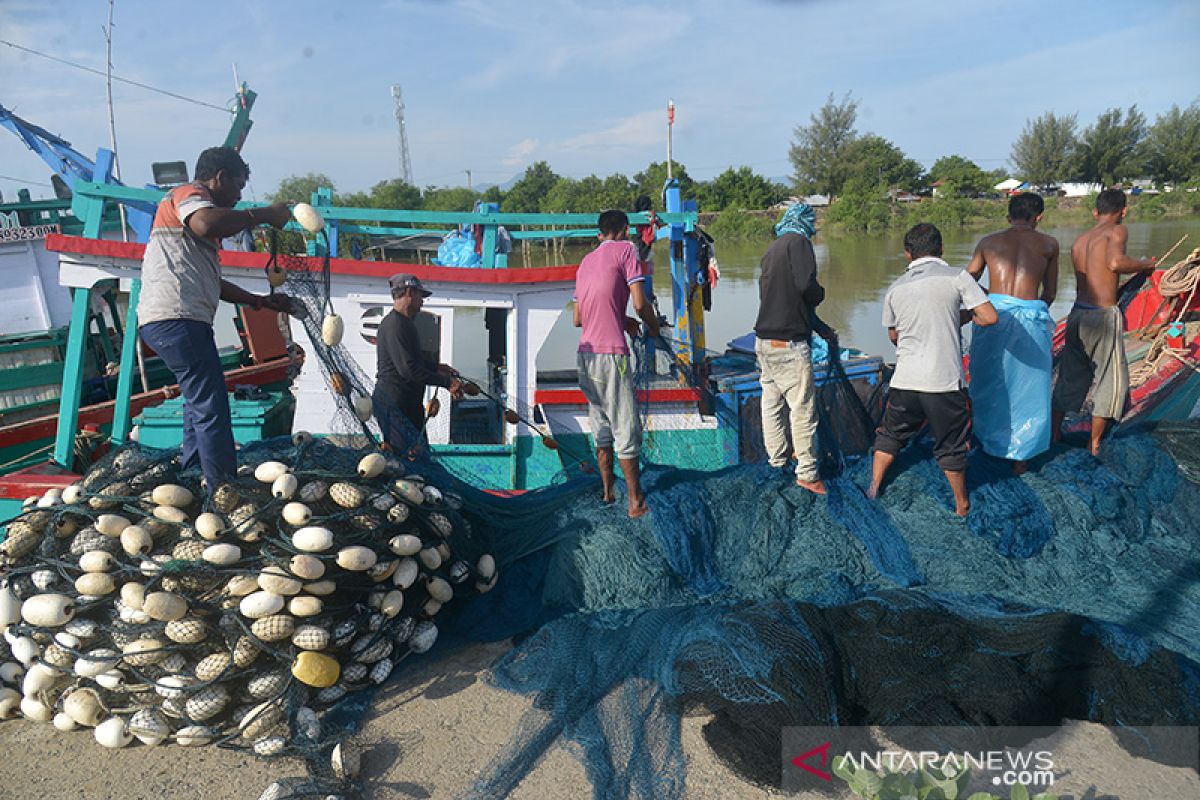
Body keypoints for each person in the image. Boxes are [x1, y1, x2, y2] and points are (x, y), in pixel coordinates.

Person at [137, 146, 292, 494]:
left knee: (198, 400)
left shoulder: (191, 233)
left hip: (171, 320)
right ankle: (223, 488)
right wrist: (263, 214)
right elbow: (206, 221)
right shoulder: (189, 195)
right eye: (237, 187)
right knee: (211, 402)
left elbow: (214, 283)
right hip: (177, 319)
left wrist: (259, 301)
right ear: (219, 178)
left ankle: (194, 474)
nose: (237, 198)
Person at [868, 223, 998, 516]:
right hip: (943, 383)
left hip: (905, 380)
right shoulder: (956, 277)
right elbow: (990, 317)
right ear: (941, 249)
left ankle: (874, 485)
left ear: (907, 255)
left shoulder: (896, 287)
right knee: (951, 446)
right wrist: (960, 318)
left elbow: (894, 335)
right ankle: (962, 504)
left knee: (890, 434)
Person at [1052, 188, 1156, 455]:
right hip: (1101, 314)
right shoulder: (1117, 231)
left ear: (1095, 212)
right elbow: (1115, 262)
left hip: (1077, 314)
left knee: (1070, 376)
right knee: (1109, 380)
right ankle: (1094, 444)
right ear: (1123, 211)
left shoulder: (1079, 240)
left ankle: (1053, 435)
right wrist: (1145, 264)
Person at [573, 209, 659, 518]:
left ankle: (609, 492)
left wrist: (622, 320)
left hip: (585, 356)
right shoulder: (627, 249)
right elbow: (639, 302)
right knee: (625, 426)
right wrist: (653, 325)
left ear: (600, 232)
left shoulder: (585, 262)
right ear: (624, 230)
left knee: (602, 427)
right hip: (612, 356)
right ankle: (635, 501)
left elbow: (579, 318)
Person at [966, 192, 1059, 472]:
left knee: (987, 380)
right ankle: (1021, 458)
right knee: (1030, 387)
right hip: (1030, 317)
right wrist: (1029, 309)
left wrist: (990, 298)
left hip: (993, 315)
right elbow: (1051, 293)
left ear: (1009, 216)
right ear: (1038, 217)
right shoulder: (1049, 244)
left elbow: (966, 281)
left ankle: (984, 441)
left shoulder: (988, 243)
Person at [753, 202, 835, 494]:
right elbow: (805, 287)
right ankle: (808, 474)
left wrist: (819, 327)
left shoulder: (772, 249)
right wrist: (820, 293)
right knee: (802, 410)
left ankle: (777, 461)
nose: (814, 226)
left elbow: (783, 301)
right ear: (803, 221)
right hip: (789, 345)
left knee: (772, 405)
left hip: (763, 343)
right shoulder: (799, 242)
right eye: (813, 220)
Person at [373, 273, 463, 455]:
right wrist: (447, 383)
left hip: (408, 404)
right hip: (395, 405)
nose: (423, 301)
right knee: (406, 460)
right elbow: (408, 370)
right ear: (408, 292)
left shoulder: (405, 323)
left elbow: (412, 360)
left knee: (420, 455)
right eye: (420, 295)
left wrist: (436, 367)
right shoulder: (395, 325)